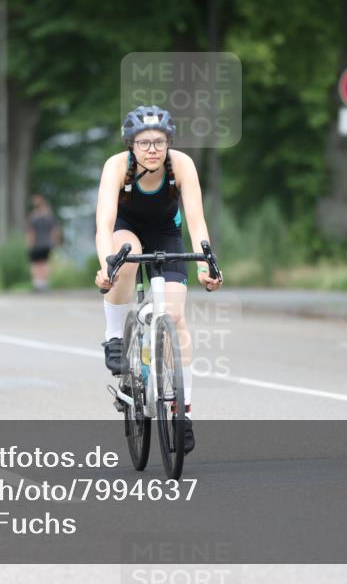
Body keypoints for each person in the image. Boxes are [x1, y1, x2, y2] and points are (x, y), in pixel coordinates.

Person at [94, 105, 223, 453]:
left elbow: (196, 222)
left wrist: (205, 264)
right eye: (144, 142)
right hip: (127, 230)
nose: (153, 149)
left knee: (176, 317)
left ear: (169, 143)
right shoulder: (116, 167)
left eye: (160, 142)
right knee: (126, 255)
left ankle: (183, 413)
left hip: (167, 233)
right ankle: (114, 338)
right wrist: (106, 266)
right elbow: (104, 225)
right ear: (131, 145)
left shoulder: (180, 165)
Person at [26, 194, 61, 292]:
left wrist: (30, 244)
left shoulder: (34, 216)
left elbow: (31, 232)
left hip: (36, 244)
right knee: (45, 263)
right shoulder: (49, 216)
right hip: (47, 244)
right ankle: (44, 284)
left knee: (35, 264)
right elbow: (55, 230)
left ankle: (37, 284)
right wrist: (55, 242)